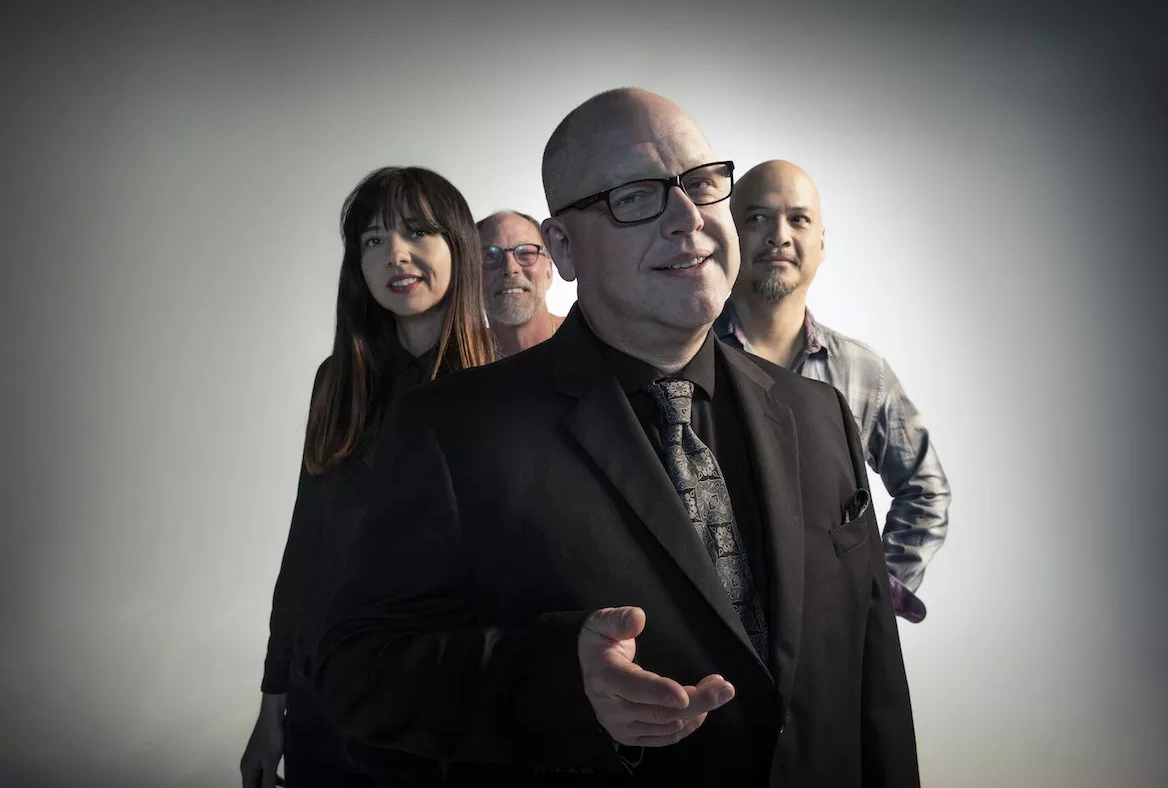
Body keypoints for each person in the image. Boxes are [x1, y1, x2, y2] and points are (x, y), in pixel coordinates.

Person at [316, 89, 919, 786]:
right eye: (635, 196)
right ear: (563, 248)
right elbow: (356, 669)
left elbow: (876, 684)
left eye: (702, 183)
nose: (688, 217)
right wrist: (559, 682)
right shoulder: (451, 433)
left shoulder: (821, 413)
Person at [239, 166, 495, 788]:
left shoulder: (506, 381)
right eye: (373, 239)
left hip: (448, 711)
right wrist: (273, 706)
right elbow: (308, 545)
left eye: (417, 231)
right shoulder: (338, 381)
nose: (395, 254)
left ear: (458, 245)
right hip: (323, 701)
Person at [716, 159, 950, 623]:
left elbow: (925, 489)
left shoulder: (864, 373)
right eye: (757, 217)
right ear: (728, 235)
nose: (779, 235)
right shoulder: (683, 357)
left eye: (798, 219)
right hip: (711, 635)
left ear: (821, 243)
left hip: (823, 637)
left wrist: (874, 594)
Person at [477, 210, 564, 355]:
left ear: (549, 272)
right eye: (490, 255)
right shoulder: (456, 361)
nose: (510, 268)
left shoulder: (589, 341)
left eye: (526, 253)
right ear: (470, 276)